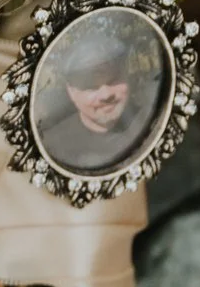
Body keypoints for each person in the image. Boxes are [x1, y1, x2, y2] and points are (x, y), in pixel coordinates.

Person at [30, 11, 166, 177]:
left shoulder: (153, 121)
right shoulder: (52, 145)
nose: (105, 93)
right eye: (90, 86)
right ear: (71, 92)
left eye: (113, 79)